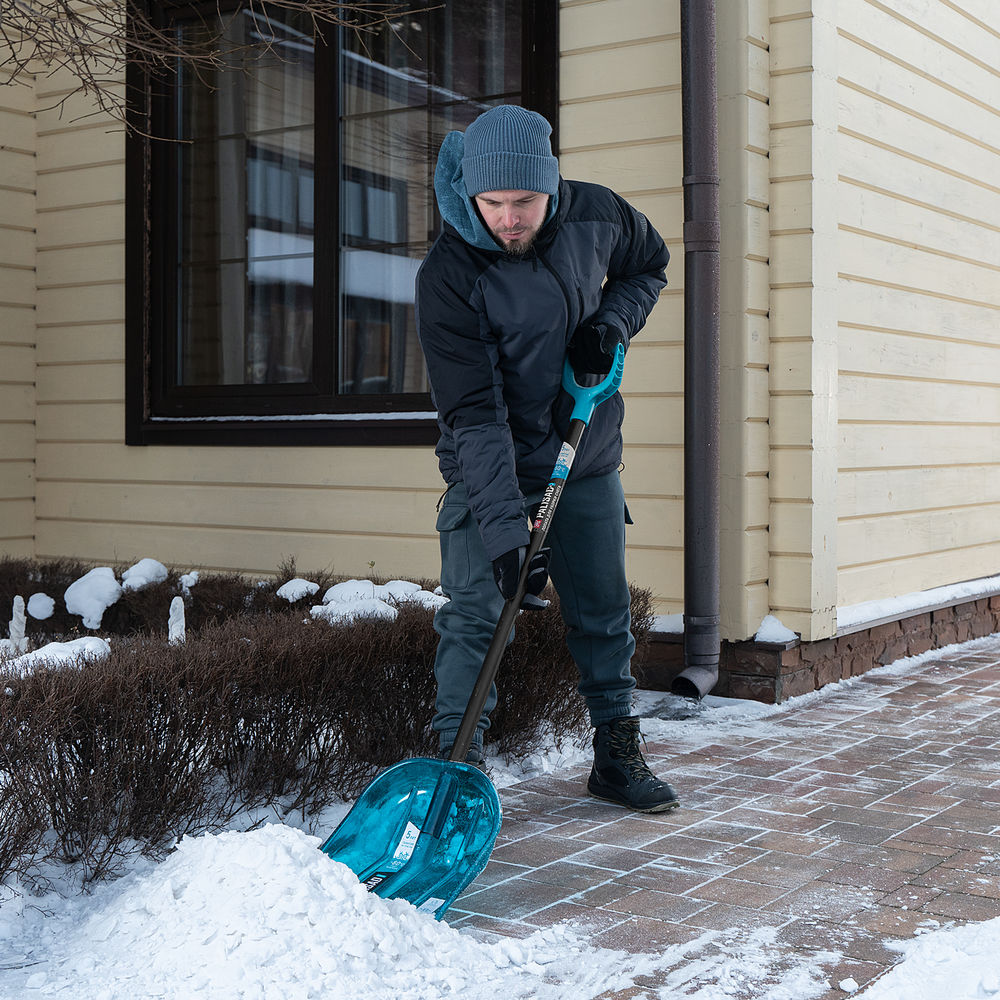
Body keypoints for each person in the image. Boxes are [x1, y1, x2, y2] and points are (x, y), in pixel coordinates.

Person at [415, 104, 678, 813]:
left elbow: (649, 265)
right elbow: (475, 413)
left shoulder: (597, 215)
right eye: (493, 203)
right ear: (471, 193)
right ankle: (457, 771)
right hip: (488, 466)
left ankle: (616, 755)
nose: (508, 219)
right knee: (477, 614)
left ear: (551, 185)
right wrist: (506, 532)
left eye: (525, 201)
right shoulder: (449, 273)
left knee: (603, 609)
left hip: (583, 452)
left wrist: (611, 323)